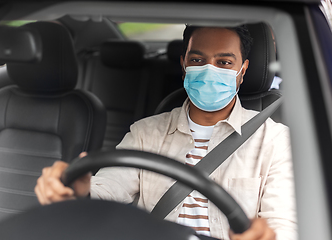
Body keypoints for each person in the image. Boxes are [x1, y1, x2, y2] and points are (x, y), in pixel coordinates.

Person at [35, 25, 296, 240]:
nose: (209, 69)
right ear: (184, 65)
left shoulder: (274, 140)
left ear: (243, 71)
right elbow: (110, 186)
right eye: (198, 60)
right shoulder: (146, 132)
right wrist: (80, 191)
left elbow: (283, 225)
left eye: (224, 62)